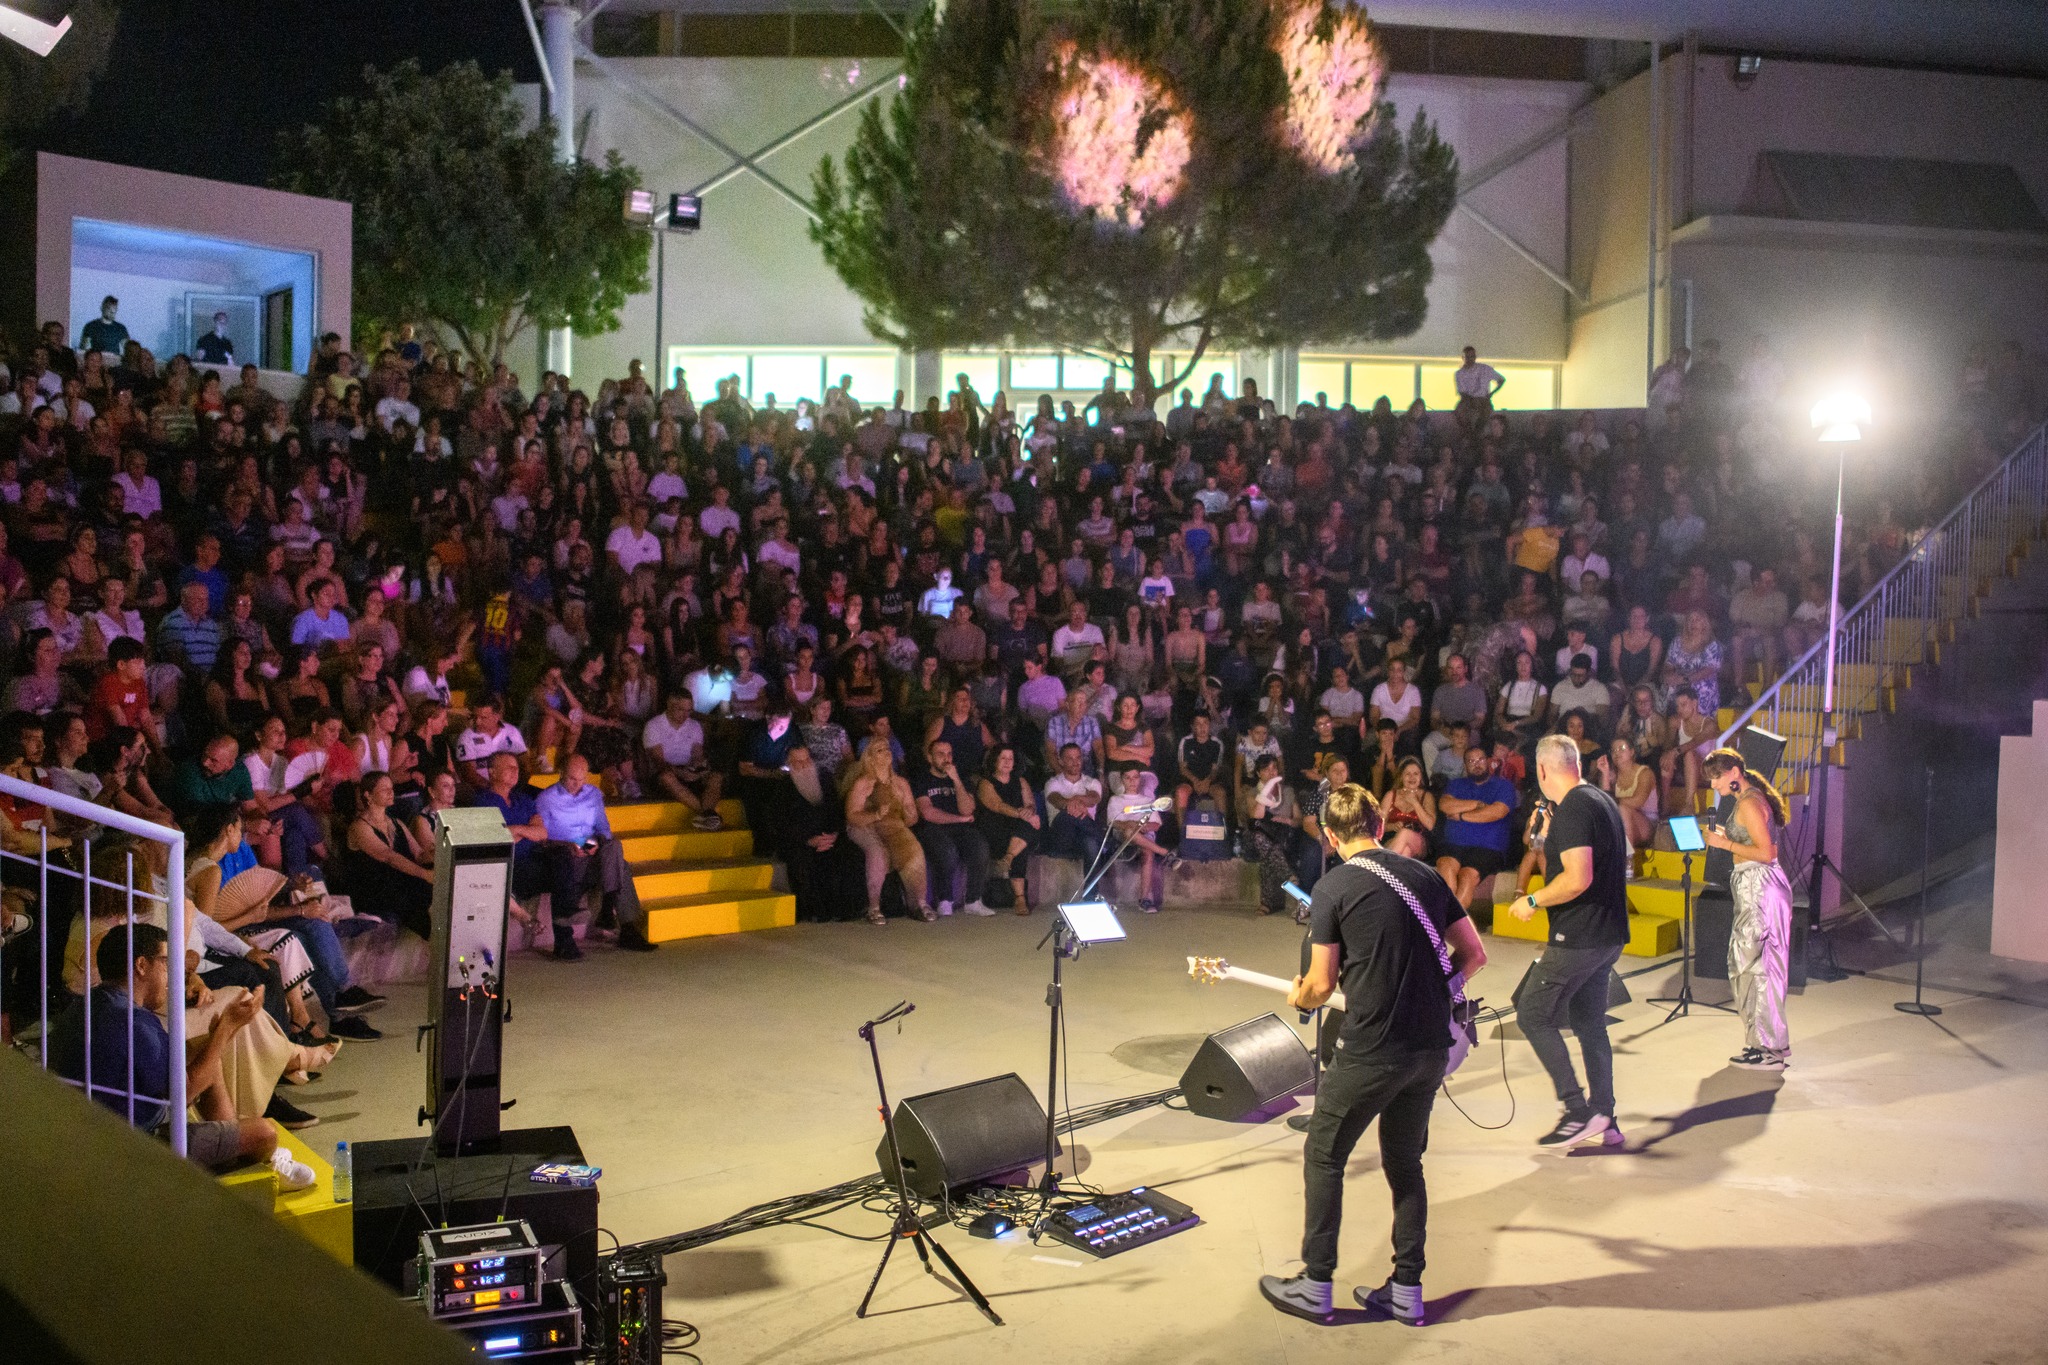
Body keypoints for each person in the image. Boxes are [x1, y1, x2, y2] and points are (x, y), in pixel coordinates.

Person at [1260, 784, 1486, 1326]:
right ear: (1380, 827)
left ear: (1333, 837)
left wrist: (1300, 996)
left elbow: (1320, 984)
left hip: (1372, 1049)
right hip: (1430, 1048)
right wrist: (1435, 986)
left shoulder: (1333, 885)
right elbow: (1474, 954)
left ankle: (1316, 1286)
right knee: (1406, 1163)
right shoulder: (1428, 876)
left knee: (1324, 1154)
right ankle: (1406, 1290)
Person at [49, 922, 311, 1183]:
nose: (173, 976)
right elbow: (182, 1095)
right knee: (265, 1133)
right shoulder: (134, 1022)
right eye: (166, 963)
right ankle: (234, 1159)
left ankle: (229, 1148)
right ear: (141, 965)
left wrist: (224, 1031)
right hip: (130, 1152)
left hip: (85, 1138)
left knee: (205, 1057)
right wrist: (227, 1027)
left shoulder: (85, 1006)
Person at [1504, 734, 1632, 1149]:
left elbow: (1578, 878)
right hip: (1608, 934)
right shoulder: (1598, 799)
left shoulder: (1575, 808)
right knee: (1589, 1022)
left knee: (1532, 1013)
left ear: (1542, 769)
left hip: (1579, 936)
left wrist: (1534, 900)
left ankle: (1577, 1111)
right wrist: (1544, 837)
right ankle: (1605, 1118)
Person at [1702, 748, 1794, 1069]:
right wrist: (1728, 837)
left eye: (1717, 777)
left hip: (1759, 886)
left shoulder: (1751, 803)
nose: (1714, 784)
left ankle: (1766, 1048)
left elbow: (1766, 853)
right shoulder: (1747, 800)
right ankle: (1766, 1044)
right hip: (1755, 886)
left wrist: (1724, 844)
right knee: (1754, 964)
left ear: (1734, 773)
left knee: (1753, 966)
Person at [534, 754, 655, 958]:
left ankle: (610, 911)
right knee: (621, 866)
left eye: (582, 780)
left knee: (614, 846)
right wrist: (570, 846)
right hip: (565, 852)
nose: (577, 785)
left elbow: (603, 830)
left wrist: (592, 845)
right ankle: (623, 924)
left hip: (591, 849)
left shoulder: (593, 794)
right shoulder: (547, 799)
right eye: (572, 779)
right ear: (562, 774)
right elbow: (542, 838)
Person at [843, 737, 933, 925]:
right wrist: (875, 814)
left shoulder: (901, 783)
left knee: (914, 850)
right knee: (878, 853)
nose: (887, 751)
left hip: (893, 826)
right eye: (879, 750)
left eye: (887, 748)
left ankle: (918, 903)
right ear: (870, 758)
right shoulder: (864, 783)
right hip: (866, 826)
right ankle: (874, 907)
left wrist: (906, 810)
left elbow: (912, 817)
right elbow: (852, 815)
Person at [912, 736, 992, 917]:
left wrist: (956, 780)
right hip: (931, 828)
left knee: (980, 846)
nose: (946, 758)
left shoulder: (960, 778)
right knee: (947, 851)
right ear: (930, 758)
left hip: (960, 828)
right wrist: (960, 820)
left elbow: (968, 809)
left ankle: (973, 900)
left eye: (949, 754)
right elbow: (927, 813)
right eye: (940, 754)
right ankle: (945, 899)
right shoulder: (921, 779)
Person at [1435, 746, 1516, 909]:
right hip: (1454, 844)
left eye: (1480, 759)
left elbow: (1496, 812)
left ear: (1487, 761)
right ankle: (1450, 920)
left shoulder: (1503, 786)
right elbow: (1445, 805)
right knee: (1445, 867)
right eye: (1471, 761)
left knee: (1467, 875)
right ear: (1465, 765)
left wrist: (1461, 815)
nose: (1476, 764)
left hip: (1488, 847)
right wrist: (1477, 804)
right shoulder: (1456, 784)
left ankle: (1451, 924)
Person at [642, 689, 723, 830]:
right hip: (665, 773)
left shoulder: (694, 726)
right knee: (667, 777)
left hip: (688, 770)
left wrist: (699, 769)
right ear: (669, 705)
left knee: (716, 776)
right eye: (681, 710)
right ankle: (708, 815)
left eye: (689, 711)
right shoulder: (653, 726)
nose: (685, 715)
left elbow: (698, 755)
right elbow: (658, 761)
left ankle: (707, 817)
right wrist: (680, 773)